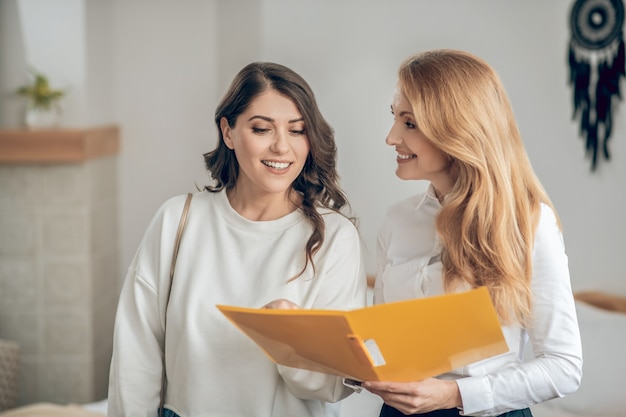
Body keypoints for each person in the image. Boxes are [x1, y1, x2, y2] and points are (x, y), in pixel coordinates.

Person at [108, 62, 368, 417]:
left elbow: (337, 384)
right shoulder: (178, 219)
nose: (282, 147)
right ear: (228, 132)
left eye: (297, 131)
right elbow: (135, 353)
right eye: (262, 129)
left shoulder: (334, 237)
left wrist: (292, 338)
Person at [364, 49, 583, 417]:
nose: (391, 138)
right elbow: (385, 347)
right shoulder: (396, 220)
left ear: (457, 129)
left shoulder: (528, 223)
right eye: (395, 119)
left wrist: (453, 394)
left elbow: (563, 367)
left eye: (410, 123)